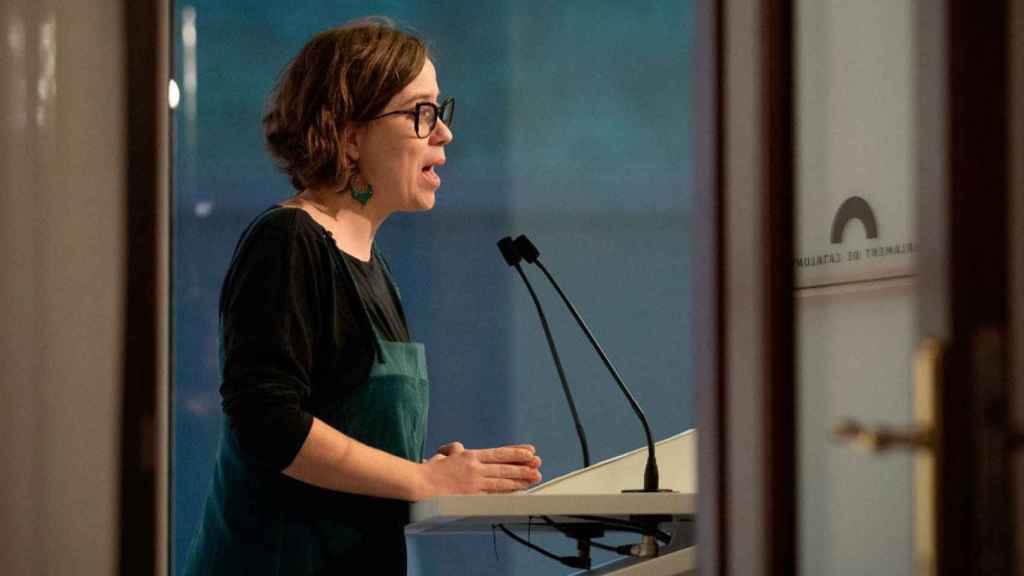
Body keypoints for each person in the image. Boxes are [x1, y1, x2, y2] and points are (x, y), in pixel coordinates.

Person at [185, 18, 543, 575]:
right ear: (349, 135)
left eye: (439, 112)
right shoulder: (288, 241)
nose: (443, 133)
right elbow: (268, 422)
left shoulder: (373, 265)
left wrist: (430, 476)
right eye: (420, 113)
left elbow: (349, 451)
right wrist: (422, 479)